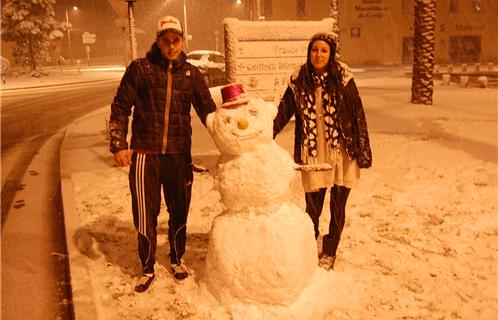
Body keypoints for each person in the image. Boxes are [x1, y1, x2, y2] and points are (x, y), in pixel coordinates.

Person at [109, 15, 216, 291]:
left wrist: (233, 136)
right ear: (157, 42)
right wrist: (119, 144)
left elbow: (209, 113)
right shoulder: (140, 69)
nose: (171, 46)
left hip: (179, 155)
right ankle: (147, 265)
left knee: (179, 209)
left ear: (182, 41)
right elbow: (120, 107)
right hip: (145, 153)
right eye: (166, 41)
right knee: (146, 212)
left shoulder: (192, 74)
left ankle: (177, 258)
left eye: (176, 41)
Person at [273, 32, 372, 270]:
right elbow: (283, 113)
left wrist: (363, 150)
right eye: (314, 50)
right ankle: (308, 245)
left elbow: (357, 114)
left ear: (331, 53)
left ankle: (330, 250)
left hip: (341, 153)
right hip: (314, 152)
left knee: (338, 206)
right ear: (309, 53)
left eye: (324, 50)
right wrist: (265, 134)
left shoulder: (344, 79)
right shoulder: (299, 81)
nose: (318, 55)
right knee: (312, 209)